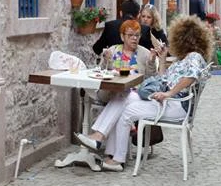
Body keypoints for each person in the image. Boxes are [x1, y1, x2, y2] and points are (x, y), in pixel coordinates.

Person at [75, 16, 213, 170]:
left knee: (126, 110)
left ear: (184, 39)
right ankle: (107, 149)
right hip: (166, 101)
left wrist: (168, 94)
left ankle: (112, 153)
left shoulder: (194, 57)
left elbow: (191, 77)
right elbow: (163, 79)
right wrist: (162, 60)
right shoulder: (185, 59)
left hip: (175, 105)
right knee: (123, 96)